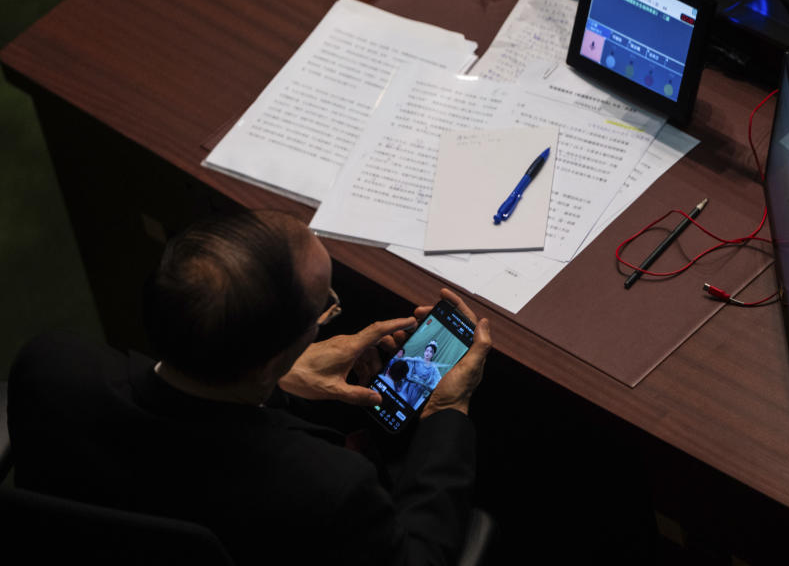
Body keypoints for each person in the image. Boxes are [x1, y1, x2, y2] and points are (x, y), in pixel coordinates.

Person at [8, 210, 492, 566]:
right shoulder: (331, 489)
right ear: (277, 354)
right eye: (326, 304)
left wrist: (276, 380)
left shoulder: (49, 369)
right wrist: (446, 409)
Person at [405, 341, 443, 408]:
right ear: (424, 351)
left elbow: (439, 379)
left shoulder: (433, 367)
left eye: (431, 352)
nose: (428, 353)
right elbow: (408, 360)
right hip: (409, 385)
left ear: (433, 354)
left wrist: (427, 386)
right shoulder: (418, 359)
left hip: (419, 389)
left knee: (410, 406)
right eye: (427, 350)